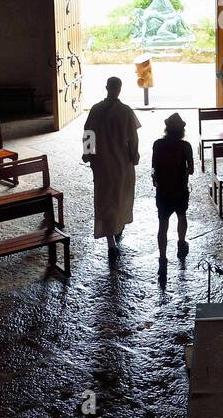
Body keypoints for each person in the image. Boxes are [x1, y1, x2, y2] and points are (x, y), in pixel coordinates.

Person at [82, 77, 141, 260]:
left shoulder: (96, 109)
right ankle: (117, 228)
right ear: (119, 89)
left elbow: (88, 134)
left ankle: (111, 240)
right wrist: (134, 154)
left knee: (105, 198)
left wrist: (87, 153)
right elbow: (133, 138)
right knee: (120, 196)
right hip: (121, 163)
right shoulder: (125, 111)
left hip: (102, 163)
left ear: (106, 87)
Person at [151, 112, 194, 280]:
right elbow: (191, 169)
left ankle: (163, 258)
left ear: (167, 129)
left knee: (162, 225)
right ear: (182, 131)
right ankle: (181, 244)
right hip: (180, 189)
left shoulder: (158, 144)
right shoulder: (186, 146)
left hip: (163, 191)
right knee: (182, 216)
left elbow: (154, 166)